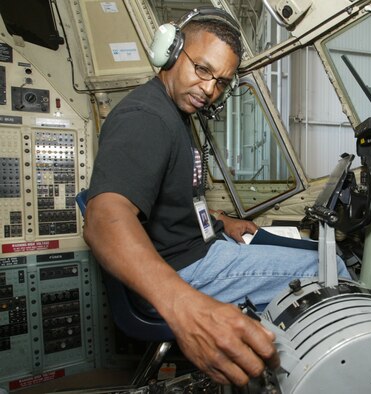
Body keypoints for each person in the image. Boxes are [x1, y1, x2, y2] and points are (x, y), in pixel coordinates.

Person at [82, 9, 350, 388]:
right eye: (202, 69)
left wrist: (221, 222)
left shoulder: (173, 113)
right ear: (171, 52)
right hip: (186, 269)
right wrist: (185, 307)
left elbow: (171, 204)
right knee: (330, 267)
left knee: (311, 253)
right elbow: (104, 218)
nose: (209, 89)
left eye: (221, 82)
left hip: (196, 249)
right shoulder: (146, 117)